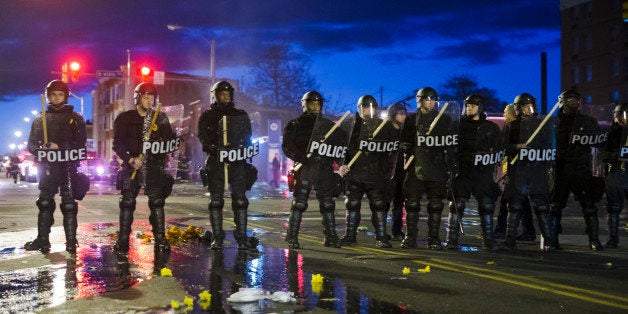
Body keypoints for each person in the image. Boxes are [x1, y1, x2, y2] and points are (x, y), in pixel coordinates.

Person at [112, 82, 177, 255]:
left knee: (157, 202)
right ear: (138, 98)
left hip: (154, 166)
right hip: (132, 164)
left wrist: (169, 141)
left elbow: (170, 142)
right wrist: (129, 159)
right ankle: (123, 239)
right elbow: (117, 144)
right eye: (145, 97)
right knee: (127, 202)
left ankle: (161, 239)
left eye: (151, 98)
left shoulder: (160, 118)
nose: (149, 101)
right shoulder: (124, 118)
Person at [24, 79, 87, 254]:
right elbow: (31, 145)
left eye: (60, 94)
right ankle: (43, 240)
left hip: (68, 167)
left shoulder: (76, 118)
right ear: (48, 96)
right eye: (53, 94)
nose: (57, 98)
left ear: (66, 96)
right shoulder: (40, 119)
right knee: (44, 203)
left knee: (68, 204)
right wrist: (40, 149)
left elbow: (81, 144)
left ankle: (71, 241)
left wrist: (59, 147)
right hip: (48, 167)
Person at [198, 81, 258, 250]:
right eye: (221, 94)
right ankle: (217, 237)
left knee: (240, 201)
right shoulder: (207, 116)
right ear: (215, 96)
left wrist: (240, 150)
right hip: (216, 162)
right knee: (216, 201)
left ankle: (241, 237)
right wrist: (216, 150)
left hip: (237, 162)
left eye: (227, 94)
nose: (225, 97)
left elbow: (247, 137)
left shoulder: (240, 115)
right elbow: (203, 139)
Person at [282, 91, 345, 249]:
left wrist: (340, 162)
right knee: (300, 203)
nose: (316, 107)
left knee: (328, 203)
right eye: (312, 104)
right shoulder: (295, 124)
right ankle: (292, 236)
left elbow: (338, 147)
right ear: (305, 105)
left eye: (318, 104)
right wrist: (300, 156)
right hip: (305, 168)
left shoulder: (328, 126)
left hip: (324, 167)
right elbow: (287, 146)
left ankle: (331, 236)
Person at [338, 95, 400, 248]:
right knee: (352, 204)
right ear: (359, 108)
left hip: (376, 171)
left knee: (379, 205)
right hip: (355, 171)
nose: (367, 110)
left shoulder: (384, 126)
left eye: (371, 107)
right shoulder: (351, 125)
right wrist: (342, 164)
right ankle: (350, 236)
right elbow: (340, 148)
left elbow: (393, 147)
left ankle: (381, 237)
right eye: (365, 107)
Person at [400, 87, 455, 250]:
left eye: (432, 100)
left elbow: (451, 143)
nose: (430, 103)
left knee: (436, 205)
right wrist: (409, 147)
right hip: (416, 166)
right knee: (412, 203)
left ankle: (434, 238)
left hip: (437, 167)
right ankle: (410, 237)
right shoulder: (411, 120)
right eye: (427, 100)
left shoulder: (444, 119)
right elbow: (403, 142)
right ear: (420, 101)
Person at [444, 94, 501, 250]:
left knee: (486, 205)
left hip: (482, 171)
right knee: (456, 205)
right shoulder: (458, 125)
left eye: (473, 105)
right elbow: (449, 146)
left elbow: (499, 147)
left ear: (480, 107)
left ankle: (488, 240)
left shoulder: (491, 127)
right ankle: (452, 239)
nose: (469, 108)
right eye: (467, 105)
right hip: (462, 170)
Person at [500, 93, 554, 251]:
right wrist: (517, 147)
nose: (529, 110)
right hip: (518, 171)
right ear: (518, 109)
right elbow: (503, 147)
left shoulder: (543, 124)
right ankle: (510, 240)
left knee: (542, 207)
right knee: (515, 206)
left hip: (537, 170)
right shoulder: (512, 126)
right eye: (525, 107)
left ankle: (549, 241)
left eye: (530, 106)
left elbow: (549, 146)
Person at [550, 90, 603, 250]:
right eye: (570, 99)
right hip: (560, 169)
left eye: (576, 99)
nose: (574, 102)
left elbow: (598, 146)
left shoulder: (589, 121)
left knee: (589, 206)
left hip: (581, 168)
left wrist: (597, 173)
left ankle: (594, 240)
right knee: (555, 206)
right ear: (563, 101)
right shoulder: (553, 121)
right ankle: (552, 240)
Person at [494, 104, 535, 240]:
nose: (504, 115)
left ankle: (503, 230)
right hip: (514, 169)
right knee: (521, 201)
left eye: (505, 112)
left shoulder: (512, 128)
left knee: (510, 200)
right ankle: (528, 231)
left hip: (518, 170)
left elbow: (504, 147)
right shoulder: (512, 128)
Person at [603, 103, 628, 248]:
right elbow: (603, 153)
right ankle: (613, 239)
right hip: (616, 173)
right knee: (613, 208)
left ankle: (613, 240)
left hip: (620, 173)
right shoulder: (612, 132)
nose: (614, 117)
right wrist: (614, 156)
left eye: (617, 115)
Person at [386, 102, 408, 241]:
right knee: (384, 202)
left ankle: (397, 230)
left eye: (404, 114)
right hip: (388, 170)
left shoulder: (406, 130)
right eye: (400, 114)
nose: (403, 116)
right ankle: (381, 230)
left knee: (399, 203)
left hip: (402, 170)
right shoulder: (386, 129)